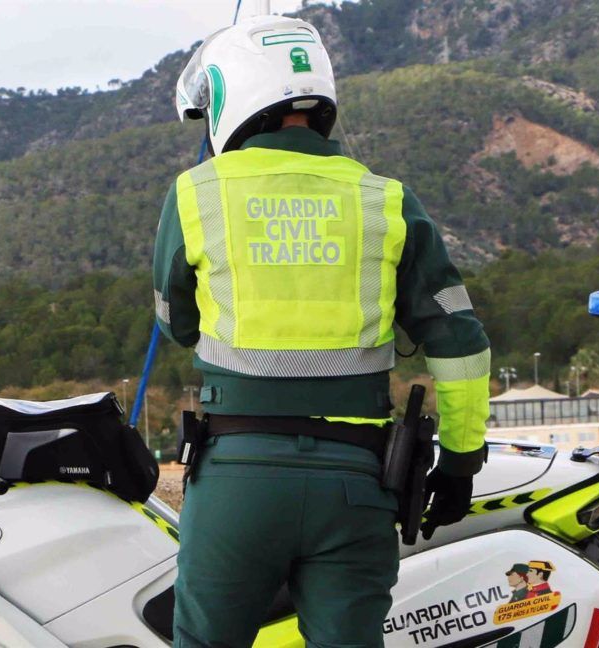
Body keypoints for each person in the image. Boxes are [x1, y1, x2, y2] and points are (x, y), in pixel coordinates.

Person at [152, 14, 490, 648]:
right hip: (356, 485)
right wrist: (461, 463)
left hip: (236, 480)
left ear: (229, 96)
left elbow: (177, 323)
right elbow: (460, 341)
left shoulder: (195, 195)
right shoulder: (387, 199)